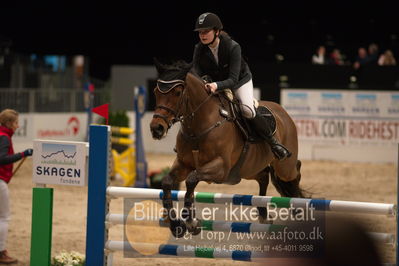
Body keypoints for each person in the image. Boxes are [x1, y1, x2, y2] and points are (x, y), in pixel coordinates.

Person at [191, 12, 290, 160]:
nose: (202, 35)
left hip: (239, 82)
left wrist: (215, 85)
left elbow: (232, 79)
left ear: (217, 31)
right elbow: (195, 72)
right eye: (200, 32)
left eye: (206, 31)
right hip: (214, 83)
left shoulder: (233, 47)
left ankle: (273, 142)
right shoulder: (199, 48)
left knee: (247, 109)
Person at [0, 109, 33, 264]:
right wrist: (23, 154)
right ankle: (1, 252)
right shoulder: (4, 138)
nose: (18, 126)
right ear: (8, 124)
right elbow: (2, 159)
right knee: (4, 217)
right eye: (16, 122)